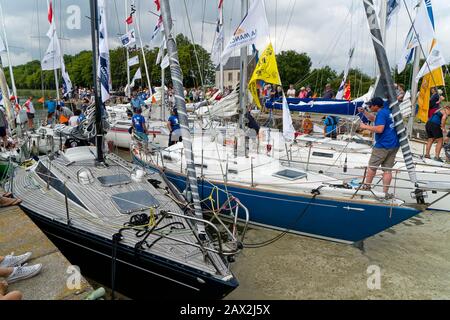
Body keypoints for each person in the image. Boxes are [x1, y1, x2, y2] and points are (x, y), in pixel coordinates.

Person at [358, 97, 400, 198]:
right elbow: (375, 119)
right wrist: (365, 112)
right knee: (387, 169)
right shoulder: (387, 111)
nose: (369, 107)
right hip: (394, 144)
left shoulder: (381, 113)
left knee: (372, 167)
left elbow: (380, 129)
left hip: (383, 145)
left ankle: (366, 188)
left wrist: (365, 127)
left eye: (370, 105)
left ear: (376, 106)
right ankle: (384, 193)